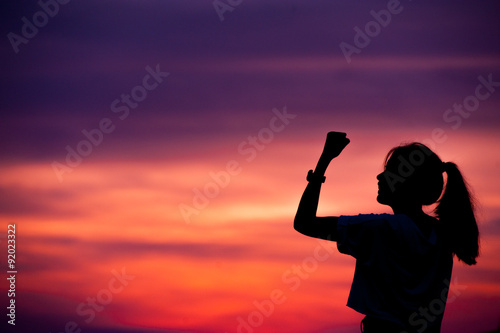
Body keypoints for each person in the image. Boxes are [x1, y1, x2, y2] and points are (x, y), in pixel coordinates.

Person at [294, 132, 479, 333]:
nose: (379, 176)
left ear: (407, 181)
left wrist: (324, 160)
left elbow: (304, 223)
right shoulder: (444, 235)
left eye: (389, 171)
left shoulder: (381, 228)